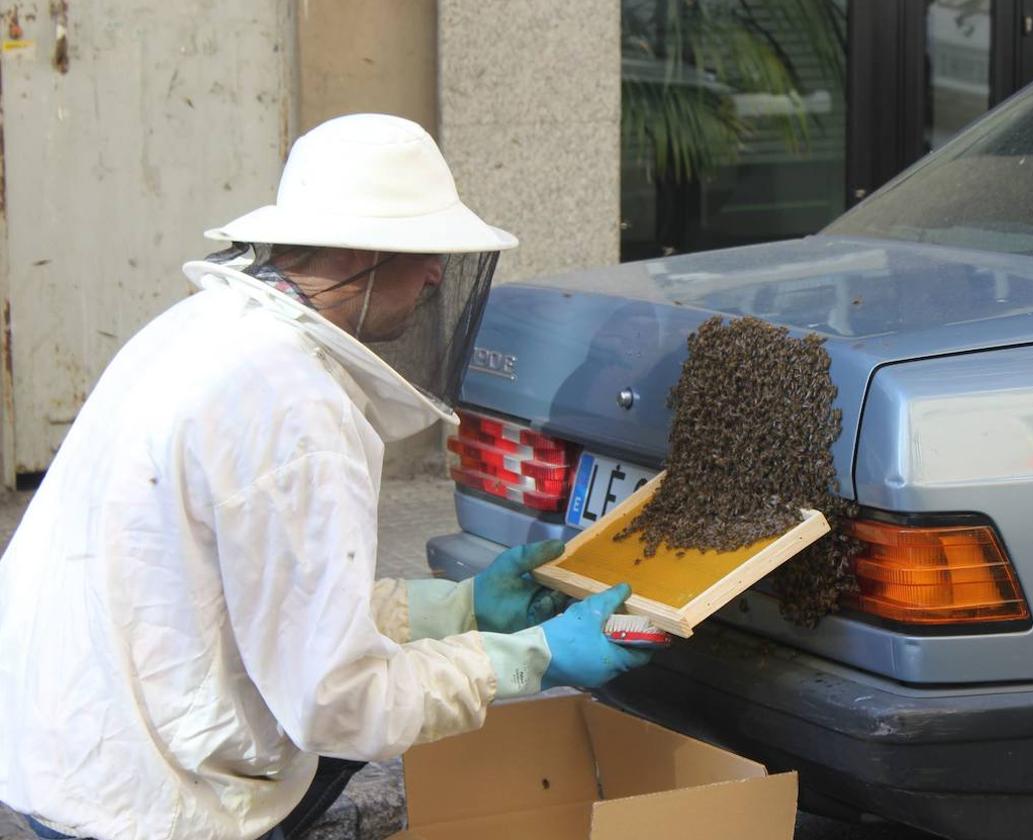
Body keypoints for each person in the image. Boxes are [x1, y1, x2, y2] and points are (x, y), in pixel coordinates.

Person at [0, 114, 651, 840]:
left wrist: (456, 610)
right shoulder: (295, 408)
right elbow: (341, 704)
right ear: (359, 253)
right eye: (423, 250)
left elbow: (260, 604)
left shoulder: (205, 330)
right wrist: (534, 656)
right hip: (142, 796)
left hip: (72, 738)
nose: (437, 273)